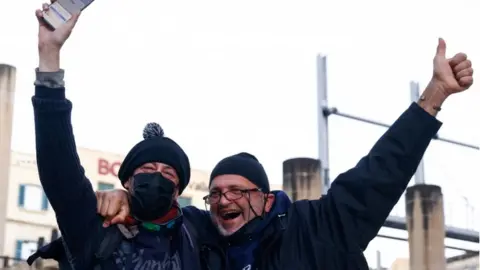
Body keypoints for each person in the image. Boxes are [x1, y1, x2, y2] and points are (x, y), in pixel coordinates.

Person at [96, 38, 475, 270]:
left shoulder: (318, 227)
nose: (224, 199)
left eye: (237, 191)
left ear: (264, 198)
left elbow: (382, 171)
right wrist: (127, 198)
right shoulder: (204, 241)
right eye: (216, 193)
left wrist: (435, 94)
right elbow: (162, 213)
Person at [27, 3, 207, 269]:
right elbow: (58, 167)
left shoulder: (198, 231)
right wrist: (49, 55)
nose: (156, 177)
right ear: (127, 181)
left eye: (168, 174)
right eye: (147, 168)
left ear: (179, 190)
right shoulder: (95, 226)